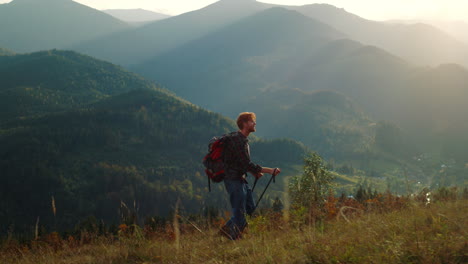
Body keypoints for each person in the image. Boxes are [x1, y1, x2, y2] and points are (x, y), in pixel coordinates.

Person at [220, 112, 281, 240]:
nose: (255, 123)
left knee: (250, 208)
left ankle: (226, 230)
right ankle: (234, 238)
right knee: (240, 211)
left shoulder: (241, 139)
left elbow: (240, 162)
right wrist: (270, 170)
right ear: (244, 123)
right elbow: (247, 163)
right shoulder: (238, 140)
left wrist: (254, 172)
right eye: (252, 121)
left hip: (239, 179)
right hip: (233, 180)